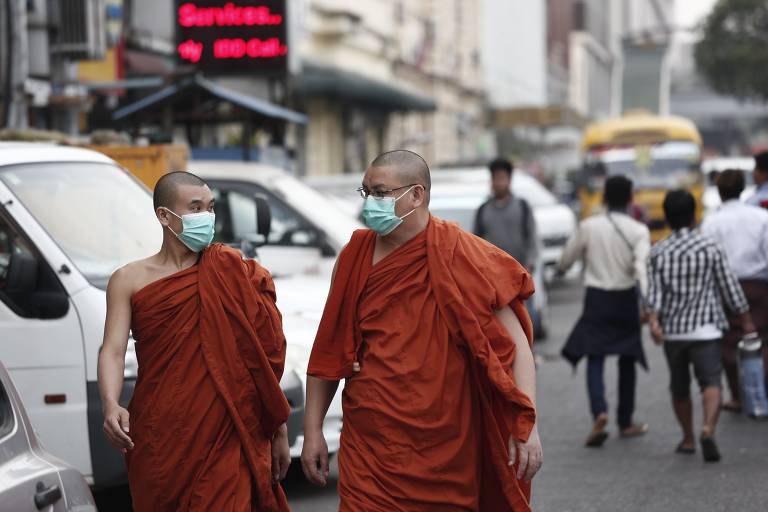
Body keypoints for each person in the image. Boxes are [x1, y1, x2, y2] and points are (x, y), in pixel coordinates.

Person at [301, 150, 542, 511]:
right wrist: (313, 430)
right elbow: (330, 349)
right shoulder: (354, 257)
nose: (370, 203)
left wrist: (528, 423)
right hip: (371, 444)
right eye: (366, 192)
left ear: (417, 195)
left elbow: (517, 344)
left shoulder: (462, 254)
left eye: (381, 193)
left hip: (446, 445)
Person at [97, 172, 291, 511]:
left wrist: (278, 428)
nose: (207, 217)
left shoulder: (232, 271)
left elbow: (262, 357)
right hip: (162, 431)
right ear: (164, 216)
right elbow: (112, 351)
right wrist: (111, 404)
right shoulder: (129, 279)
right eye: (195, 207)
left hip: (228, 427)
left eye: (210, 207)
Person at [647, 190, 756, 463]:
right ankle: (708, 427)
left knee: (680, 387)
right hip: (707, 329)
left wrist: (654, 321)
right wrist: (745, 319)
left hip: (674, 332)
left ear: (668, 219)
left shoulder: (658, 252)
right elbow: (728, 286)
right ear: (694, 216)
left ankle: (687, 437)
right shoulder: (710, 247)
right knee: (711, 383)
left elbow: (655, 295)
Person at [558, 175, 651, 447]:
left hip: (597, 299)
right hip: (625, 300)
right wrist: (647, 304)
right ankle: (625, 421)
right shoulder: (638, 230)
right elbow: (641, 269)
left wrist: (561, 269)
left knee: (594, 356)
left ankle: (599, 411)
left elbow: (567, 258)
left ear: (605, 198)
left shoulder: (589, 226)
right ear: (630, 198)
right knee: (627, 358)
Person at [701, 169, 768, 411]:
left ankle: (738, 396)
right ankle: (763, 393)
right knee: (763, 339)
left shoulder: (711, 223)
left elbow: (707, 261)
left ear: (719, 191)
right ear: (743, 188)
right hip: (759, 286)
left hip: (725, 288)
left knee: (728, 343)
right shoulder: (761, 217)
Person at [474, 157, 538, 273]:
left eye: (502, 178)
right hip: (492, 277)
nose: (499, 183)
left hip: (520, 273)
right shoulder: (483, 210)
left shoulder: (522, 207)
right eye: (496, 178)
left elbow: (532, 240)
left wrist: (530, 264)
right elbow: (474, 244)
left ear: (509, 180)